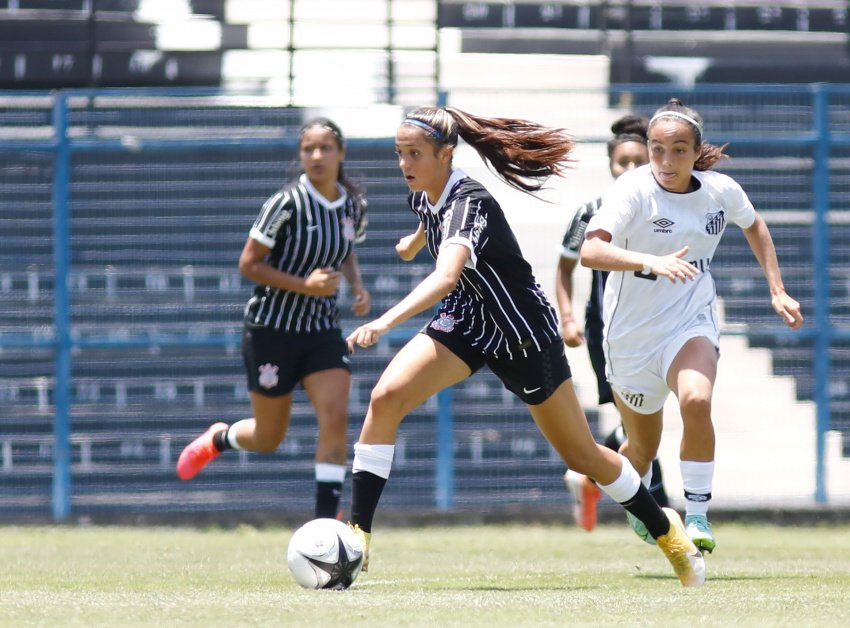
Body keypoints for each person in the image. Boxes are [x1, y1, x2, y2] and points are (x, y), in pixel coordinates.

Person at [344, 105, 705, 588]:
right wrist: (413, 242)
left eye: (415, 154)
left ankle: (668, 533)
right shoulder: (426, 193)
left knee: (584, 458)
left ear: (446, 155)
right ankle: (357, 533)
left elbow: (447, 273)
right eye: (400, 153)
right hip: (468, 323)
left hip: (523, 334)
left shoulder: (466, 202)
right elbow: (432, 228)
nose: (405, 163)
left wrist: (386, 321)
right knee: (385, 399)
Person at [580, 99, 803, 554]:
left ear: (697, 151)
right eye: (657, 149)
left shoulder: (720, 191)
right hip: (630, 338)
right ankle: (638, 503)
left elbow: (754, 224)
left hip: (689, 320)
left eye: (678, 150)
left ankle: (698, 514)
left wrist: (777, 290)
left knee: (697, 400)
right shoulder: (632, 191)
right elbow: (590, 252)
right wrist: (649, 261)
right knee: (640, 450)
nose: (665, 160)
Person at [176, 118, 371, 520]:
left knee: (335, 417)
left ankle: (324, 526)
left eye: (325, 148)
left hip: (321, 330)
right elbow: (248, 264)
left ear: (341, 153)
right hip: (272, 330)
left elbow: (346, 248)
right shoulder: (285, 203)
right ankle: (219, 438)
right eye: (308, 149)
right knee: (268, 437)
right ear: (300, 155)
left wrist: (356, 285)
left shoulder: (353, 205)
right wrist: (306, 285)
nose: (316, 156)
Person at [556, 114, 671, 532]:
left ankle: (587, 476)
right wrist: (567, 318)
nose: (630, 169)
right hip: (610, 335)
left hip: (658, 328)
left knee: (641, 422)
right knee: (636, 422)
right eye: (623, 161)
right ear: (610, 165)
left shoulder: (664, 211)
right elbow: (565, 268)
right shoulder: (593, 213)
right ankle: (661, 517)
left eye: (640, 160)